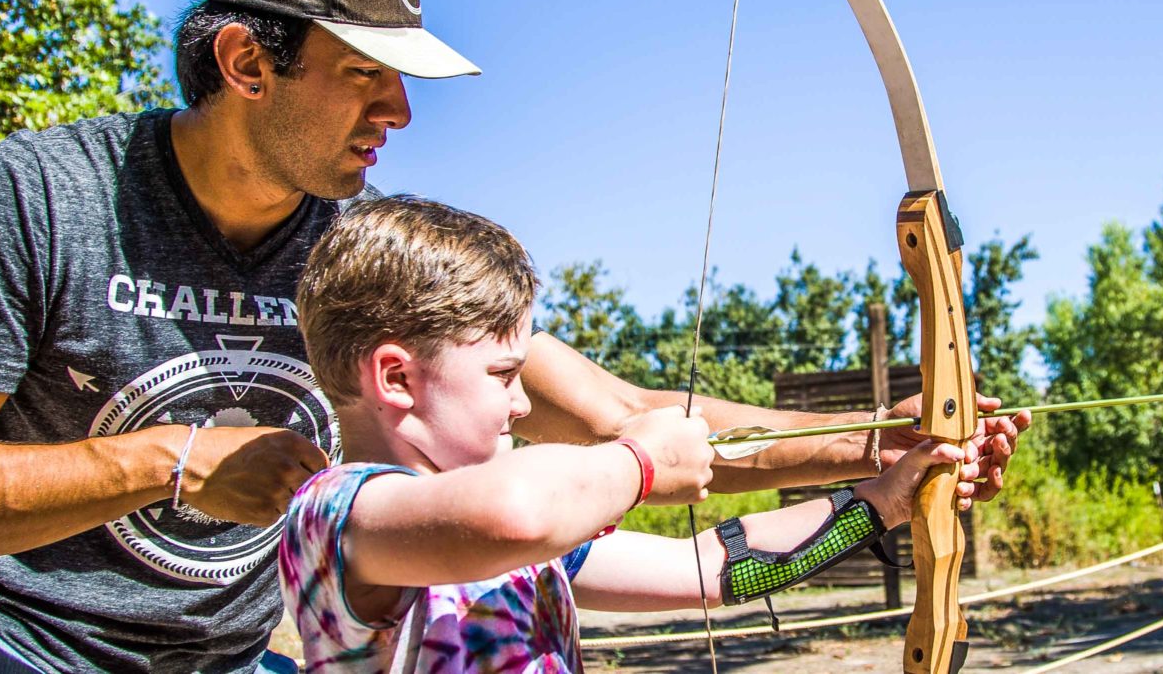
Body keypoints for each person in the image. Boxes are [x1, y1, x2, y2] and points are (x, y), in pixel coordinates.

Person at [0, 0, 1028, 674]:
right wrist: (175, 462)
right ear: (249, 61)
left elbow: (636, 429)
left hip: (229, 653)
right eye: (366, 76)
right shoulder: (43, 196)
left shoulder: (359, 247)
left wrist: (890, 447)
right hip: (18, 651)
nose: (400, 111)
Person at [281, 194, 985, 671]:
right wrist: (642, 461)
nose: (523, 405)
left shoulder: (540, 541)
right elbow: (512, 512)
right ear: (397, 379)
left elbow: (711, 567)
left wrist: (887, 497)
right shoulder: (336, 514)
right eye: (502, 376)